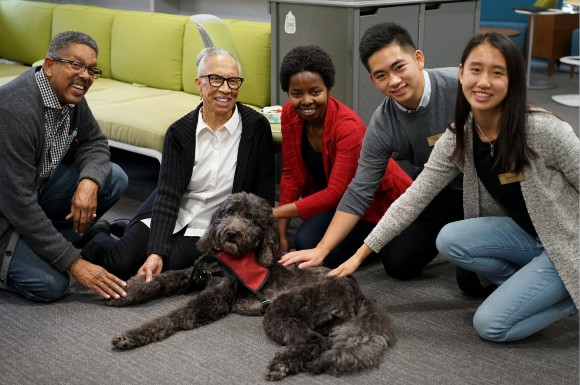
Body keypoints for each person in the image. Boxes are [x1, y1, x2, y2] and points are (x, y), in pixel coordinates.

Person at [330, 32, 579, 342]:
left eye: (497, 72)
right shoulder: (461, 135)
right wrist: (359, 254)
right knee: (449, 238)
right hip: (528, 235)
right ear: (461, 73)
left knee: (490, 325)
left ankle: (571, 294)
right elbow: (414, 197)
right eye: (475, 70)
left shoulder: (542, 129)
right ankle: (542, 285)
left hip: (569, 241)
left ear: (512, 79)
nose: (483, 82)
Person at [280, 23, 482, 293]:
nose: (394, 81)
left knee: (472, 285)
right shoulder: (382, 123)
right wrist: (321, 250)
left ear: (418, 59)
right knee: (398, 264)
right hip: (436, 192)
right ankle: (452, 231)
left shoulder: (461, 89)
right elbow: (359, 190)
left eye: (399, 67)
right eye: (381, 75)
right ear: (373, 81)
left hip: (483, 188)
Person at [81, 47, 275, 283]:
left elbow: (262, 194)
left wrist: (267, 242)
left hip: (208, 225)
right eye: (216, 79)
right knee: (120, 263)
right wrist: (155, 251)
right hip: (171, 210)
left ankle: (127, 231)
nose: (225, 89)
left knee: (166, 269)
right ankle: (99, 231)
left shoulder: (256, 128)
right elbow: (169, 195)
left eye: (233, 81)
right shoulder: (179, 132)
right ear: (199, 83)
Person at [0, 31, 129, 302]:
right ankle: (36, 248)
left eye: (92, 69)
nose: (85, 76)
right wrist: (73, 262)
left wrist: (88, 182)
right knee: (51, 285)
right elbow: (19, 205)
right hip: (8, 212)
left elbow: (94, 141)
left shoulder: (69, 96)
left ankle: (42, 244)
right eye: (77, 64)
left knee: (113, 177)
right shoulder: (14, 110)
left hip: (33, 193)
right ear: (49, 66)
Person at [273, 45, 411, 267]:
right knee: (304, 240)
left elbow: (336, 193)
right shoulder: (290, 114)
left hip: (375, 203)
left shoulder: (348, 127)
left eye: (315, 92)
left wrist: (274, 211)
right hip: (336, 201)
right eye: (296, 94)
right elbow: (289, 173)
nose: (306, 101)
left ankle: (385, 236)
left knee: (325, 253)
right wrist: (280, 234)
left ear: (329, 88)